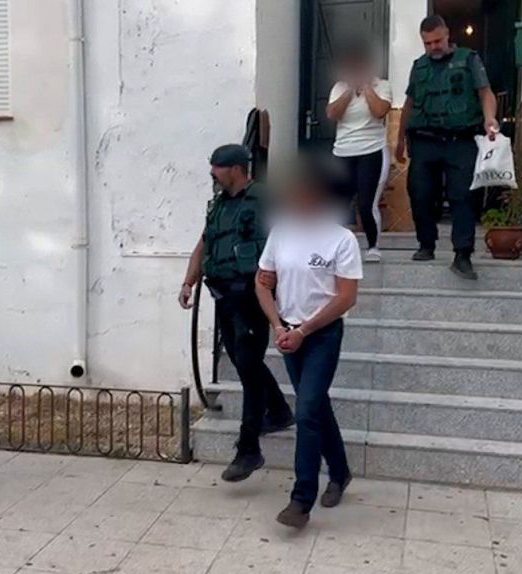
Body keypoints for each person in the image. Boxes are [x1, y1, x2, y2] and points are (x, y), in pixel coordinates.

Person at [255, 157, 362, 529]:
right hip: (288, 332)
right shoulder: (280, 232)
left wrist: (305, 331)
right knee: (315, 407)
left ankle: (301, 500)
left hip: (321, 335)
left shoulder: (341, 240)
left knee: (306, 411)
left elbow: (346, 297)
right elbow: (263, 282)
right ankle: (340, 472)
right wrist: (277, 325)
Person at [180, 144, 294, 483]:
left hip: (253, 296)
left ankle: (248, 449)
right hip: (224, 297)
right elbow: (203, 244)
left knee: (247, 364)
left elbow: (288, 242)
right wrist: (188, 281)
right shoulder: (218, 204)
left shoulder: (265, 199)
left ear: (235, 168)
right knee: (246, 362)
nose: (212, 172)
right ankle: (279, 410)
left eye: (217, 166)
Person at [395, 15, 499, 280]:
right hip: (424, 140)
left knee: (462, 196)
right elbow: (409, 103)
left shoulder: (469, 59)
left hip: (460, 139)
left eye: (437, 41)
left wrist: (489, 119)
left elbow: (485, 92)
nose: (434, 47)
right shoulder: (419, 66)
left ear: (447, 35)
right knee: (420, 192)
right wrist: (399, 140)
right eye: (427, 43)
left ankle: (462, 254)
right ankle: (426, 245)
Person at [325, 41, 392, 262]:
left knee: (366, 203)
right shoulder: (339, 88)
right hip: (343, 152)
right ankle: (336, 248)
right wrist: (349, 92)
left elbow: (380, 111)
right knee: (338, 203)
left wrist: (366, 88)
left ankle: (373, 246)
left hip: (371, 150)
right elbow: (332, 114)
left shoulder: (382, 86)